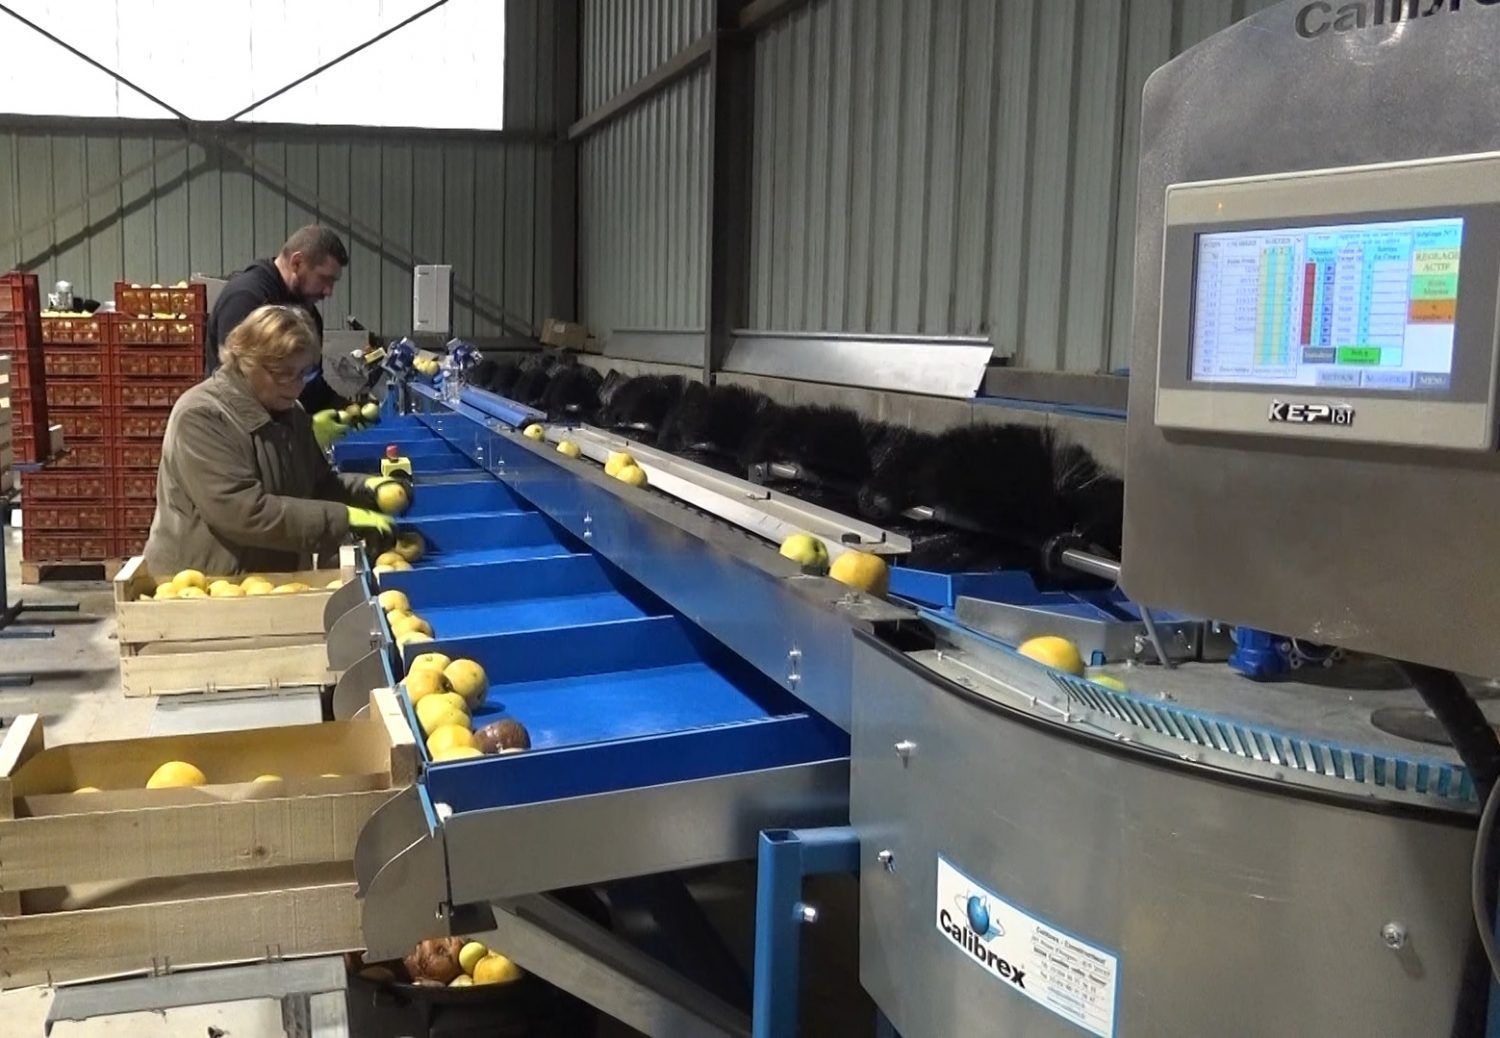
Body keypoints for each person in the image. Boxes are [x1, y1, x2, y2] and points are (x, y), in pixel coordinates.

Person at [145, 305, 401, 578]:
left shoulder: (291, 412)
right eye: (282, 373)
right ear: (245, 360)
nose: (296, 385)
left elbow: (318, 484)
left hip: (268, 582)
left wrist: (368, 489)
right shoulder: (202, 416)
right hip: (203, 586)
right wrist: (343, 519)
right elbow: (242, 513)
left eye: (304, 373)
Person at [206, 224, 349, 413]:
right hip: (237, 429)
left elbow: (310, 382)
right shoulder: (246, 299)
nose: (328, 291)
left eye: (333, 282)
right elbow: (237, 383)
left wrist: (343, 408)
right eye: (324, 278)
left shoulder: (308, 315)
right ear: (297, 263)